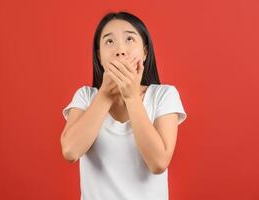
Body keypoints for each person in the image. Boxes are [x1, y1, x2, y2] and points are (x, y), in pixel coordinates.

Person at [60, 11, 187, 200]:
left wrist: (131, 96)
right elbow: (71, 151)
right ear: (100, 56)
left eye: (129, 39)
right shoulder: (86, 97)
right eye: (109, 41)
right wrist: (105, 94)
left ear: (144, 52)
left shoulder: (164, 95)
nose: (120, 50)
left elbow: (158, 162)